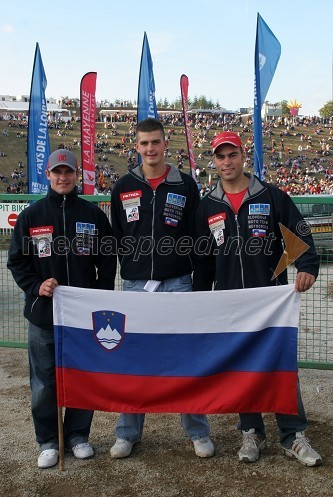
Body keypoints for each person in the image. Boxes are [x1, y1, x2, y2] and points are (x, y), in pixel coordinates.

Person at [193, 131, 322, 467]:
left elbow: (301, 234)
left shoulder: (272, 195)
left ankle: (293, 434)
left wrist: (308, 267)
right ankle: (251, 430)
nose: (226, 162)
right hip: (230, 303)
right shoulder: (208, 205)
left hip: (270, 300)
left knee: (280, 367)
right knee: (241, 368)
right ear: (214, 161)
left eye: (231, 155)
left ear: (242, 155)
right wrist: (199, 300)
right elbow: (204, 260)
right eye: (220, 157)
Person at [110, 118, 213, 459]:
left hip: (178, 283)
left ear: (165, 144)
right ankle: (127, 434)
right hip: (137, 285)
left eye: (155, 142)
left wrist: (199, 286)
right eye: (144, 143)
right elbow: (118, 236)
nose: (150, 149)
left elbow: (199, 238)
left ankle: (197, 431)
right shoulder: (123, 185)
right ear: (136, 146)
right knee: (132, 359)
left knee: (186, 358)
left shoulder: (185, 185)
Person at [7, 149, 117, 469]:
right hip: (43, 315)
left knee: (82, 378)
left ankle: (77, 436)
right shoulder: (32, 215)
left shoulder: (93, 215)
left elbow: (107, 260)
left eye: (68, 172)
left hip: (82, 318)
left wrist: (98, 295)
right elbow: (17, 260)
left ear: (76, 175)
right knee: (44, 381)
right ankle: (48, 440)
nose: (63, 177)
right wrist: (35, 286)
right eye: (57, 172)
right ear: (48, 174)